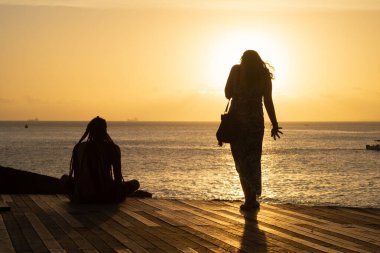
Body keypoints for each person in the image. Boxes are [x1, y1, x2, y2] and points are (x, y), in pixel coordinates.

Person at [225, 50, 283, 210]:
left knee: (241, 161)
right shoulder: (263, 75)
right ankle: (252, 199)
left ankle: (248, 199)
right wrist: (275, 123)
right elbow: (268, 101)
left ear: (243, 60)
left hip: (237, 122)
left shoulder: (236, 70)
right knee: (253, 160)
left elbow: (227, 93)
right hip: (255, 124)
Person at [66, 116, 140, 203]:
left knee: (64, 179)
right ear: (105, 130)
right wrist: (119, 192)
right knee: (135, 183)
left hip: (83, 195)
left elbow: (77, 176)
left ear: (89, 131)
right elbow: (118, 176)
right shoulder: (113, 148)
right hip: (106, 194)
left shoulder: (79, 147)